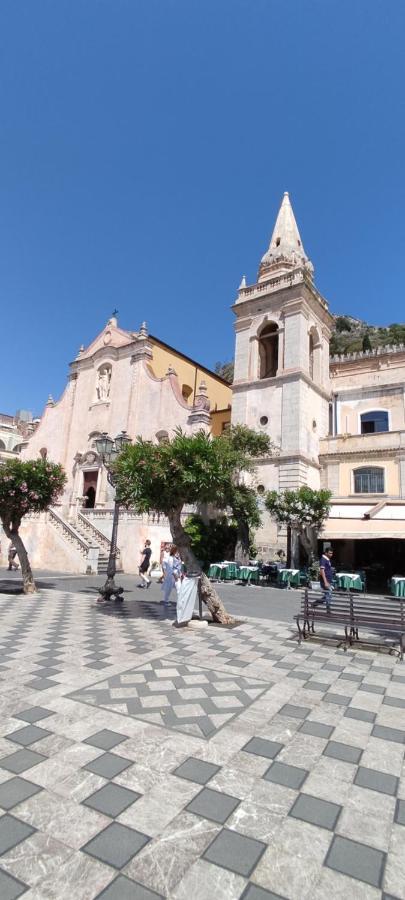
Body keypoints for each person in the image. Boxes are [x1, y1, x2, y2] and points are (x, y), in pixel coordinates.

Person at [313, 547, 333, 612]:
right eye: (330, 553)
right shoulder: (323, 559)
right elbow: (322, 571)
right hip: (325, 581)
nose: (331, 555)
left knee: (328, 595)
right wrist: (325, 582)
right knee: (328, 594)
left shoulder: (327, 559)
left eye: (332, 553)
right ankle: (328, 609)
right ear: (326, 553)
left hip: (328, 580)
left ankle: (315, 603)